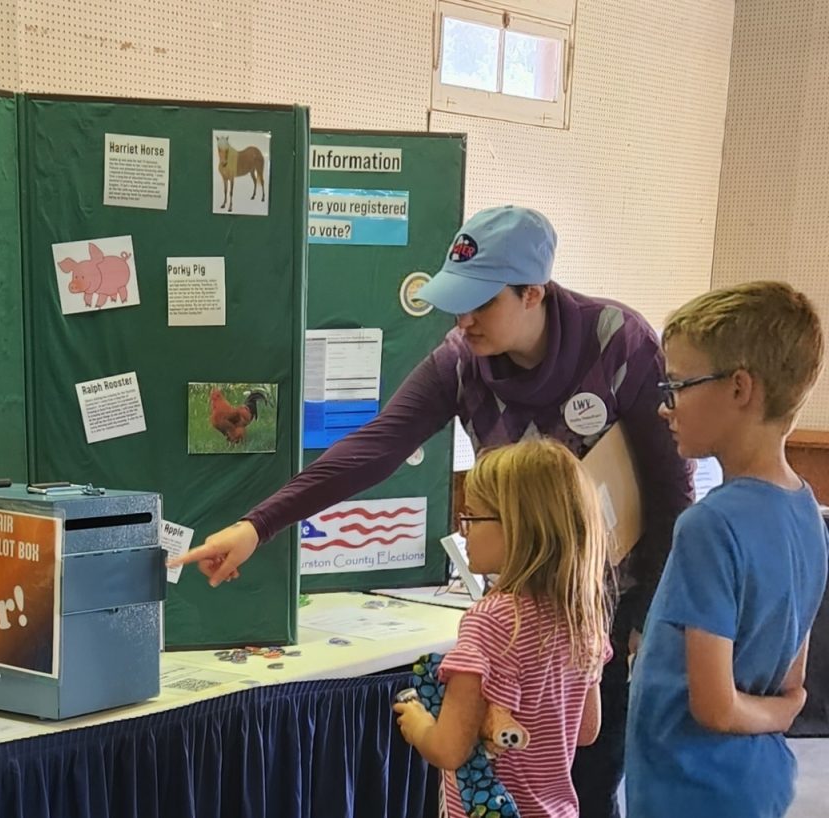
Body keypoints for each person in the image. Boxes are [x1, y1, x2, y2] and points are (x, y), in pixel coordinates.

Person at [170, 205, 693, 816]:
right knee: (498, 776)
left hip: (597, 608)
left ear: (534, 293)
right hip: (522, 603)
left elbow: (671, 490)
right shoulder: (461, 358)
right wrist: (257, 525)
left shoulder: (619, 341)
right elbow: (375, 446)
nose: (464, 319)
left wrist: (644, 620)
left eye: (481, 301)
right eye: (456, 300)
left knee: (586, 778)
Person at [624, 281, 828, 817]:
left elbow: (714, 707)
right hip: (754, 782)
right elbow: (791, 679)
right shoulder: (808, 510)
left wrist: (783, 715)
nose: (666, 408)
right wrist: (783, 711)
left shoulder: (709, 525)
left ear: (740, 388)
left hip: (691, 790)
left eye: (677, 385)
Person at [393, 439, 612, 818]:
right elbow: (585, 731)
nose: (463, 532)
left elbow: (449, 749)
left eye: (472, 518)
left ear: (518, 528)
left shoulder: (489, 622)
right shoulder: (582, 617)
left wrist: (418, 724)